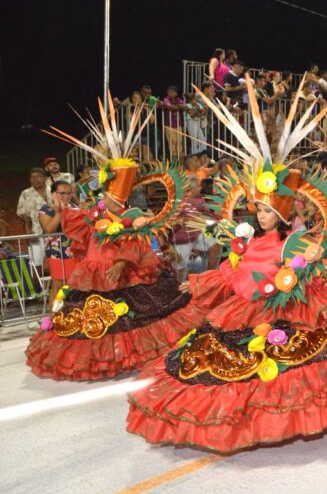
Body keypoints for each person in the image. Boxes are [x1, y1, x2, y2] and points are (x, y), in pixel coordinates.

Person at [125, 76, 327, 452]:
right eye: (257, 209)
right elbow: (236, 272)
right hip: (244, 310)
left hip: (284, 311)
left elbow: (308, 273)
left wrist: (322, 302)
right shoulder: (248, 240)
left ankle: (284, 421)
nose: (260, 215)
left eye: (265, 210)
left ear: (279, 212)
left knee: (290, 371)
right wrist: (198, 283)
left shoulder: (293, 239)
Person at [26, 99, 204, 380]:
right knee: (89, 316)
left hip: (120, 270)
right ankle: (95, 358)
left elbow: (137, 243)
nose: (110, 198)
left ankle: (126, 355)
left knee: (128, 316)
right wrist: (66, 211)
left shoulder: (130, 214)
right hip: (94, 268)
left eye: (114, 196)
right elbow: (80, 226)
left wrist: (122, 262)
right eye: (109, 194)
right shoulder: (95, 211)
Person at [37, 180, 78, 308]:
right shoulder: (46, 210)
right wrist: (60, 211)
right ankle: (54, 318)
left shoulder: (75, 208)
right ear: (53, 194)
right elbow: (49, 229)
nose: (66, 196)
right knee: (58, 284)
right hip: (56, 252)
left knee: (75, 283)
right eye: (62, 193)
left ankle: (72, 316)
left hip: (75, 250)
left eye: (69, 193)